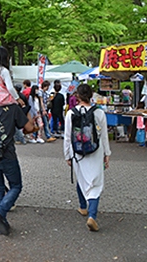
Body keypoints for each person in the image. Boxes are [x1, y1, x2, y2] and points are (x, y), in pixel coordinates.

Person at [0, 89, 39, 236]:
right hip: (7, 154)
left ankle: (1, 224)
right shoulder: (13, 108)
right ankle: (0, 213)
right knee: (16, 186)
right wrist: (25, 110)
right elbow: (28, 128)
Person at [63, 83, 111, 232]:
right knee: (95, 184)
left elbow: (67, 137)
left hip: (77, 152)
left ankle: (83, 207)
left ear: (77, 96)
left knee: (82, 178)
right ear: (91, 95)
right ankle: (92, 216)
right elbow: (104, 136)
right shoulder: (99, 113)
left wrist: (67, 155)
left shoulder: (71, 113)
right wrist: (107, 154)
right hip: (95, 151)